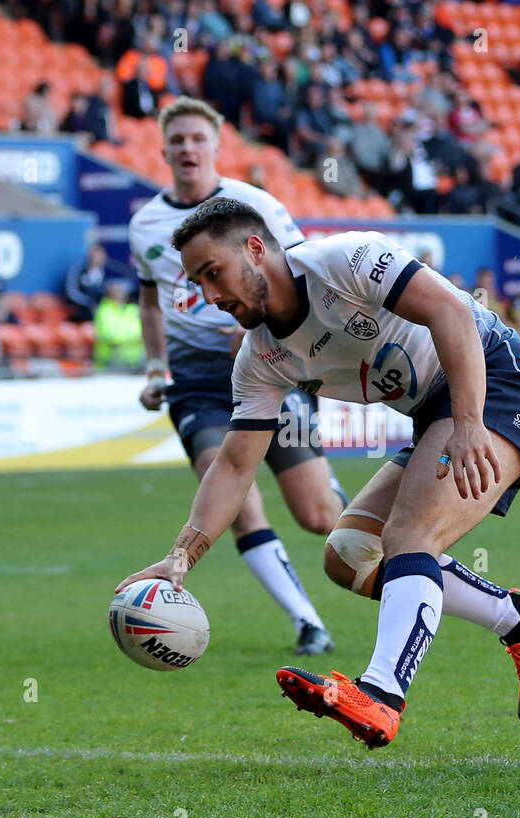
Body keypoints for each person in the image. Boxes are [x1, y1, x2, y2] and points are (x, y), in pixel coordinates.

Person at [117, 198, 520, 749]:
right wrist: (183, 554)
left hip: (497, 380)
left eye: (214, 273)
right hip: (437, 411)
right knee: (349, 553)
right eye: (197, 283)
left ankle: (381, 695)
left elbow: (451, 312)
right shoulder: (258, 357)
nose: (209, 297)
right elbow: (235, 464)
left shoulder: (345, 260)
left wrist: (469, 423)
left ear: (255, 249)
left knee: (408, 537)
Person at [127, 97, 345, 657]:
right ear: (164, 150)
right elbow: (151, 304)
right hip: (198, 382)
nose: (187, 149)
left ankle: (396, 549)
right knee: (234, 498)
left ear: (217, 147)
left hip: (269, 363)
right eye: (177, 140)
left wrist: (265, 330)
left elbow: (299, 275)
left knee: (320, 516)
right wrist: (156, 368)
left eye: (198, 138)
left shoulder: (255, 205)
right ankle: (308, 622)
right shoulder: (144, 225)